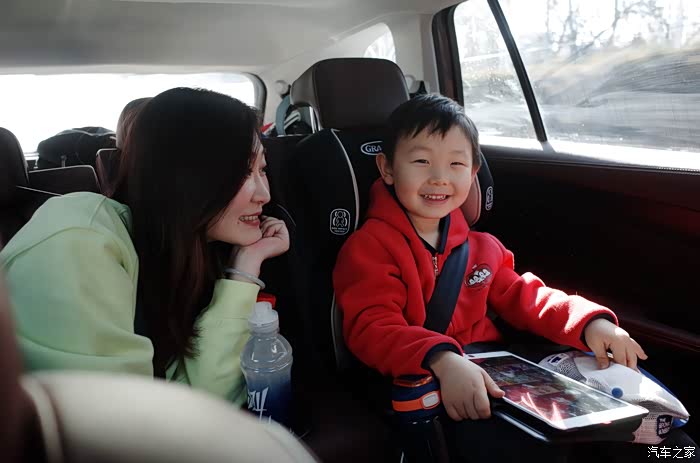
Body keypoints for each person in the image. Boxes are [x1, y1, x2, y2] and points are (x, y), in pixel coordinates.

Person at [332, 94, 695, 461]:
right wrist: (442, 358)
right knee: (531, 450)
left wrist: (589, 323)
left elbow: (526, 296)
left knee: (664, 443)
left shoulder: (482, 247)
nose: (439, 177)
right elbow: (372, 327)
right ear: (387, 168)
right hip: (432, 380)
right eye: (421, 161)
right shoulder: (370, 248)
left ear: (473, 172)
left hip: (503, 374)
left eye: (456, 163)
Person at [0, 87, 289, 406]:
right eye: (243, 171)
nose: (264, 194)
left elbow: (203, 396)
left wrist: (244, 267)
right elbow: (121, 420)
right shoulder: (78, 236)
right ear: (186, 176)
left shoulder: (191, 249)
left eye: (262, 169)